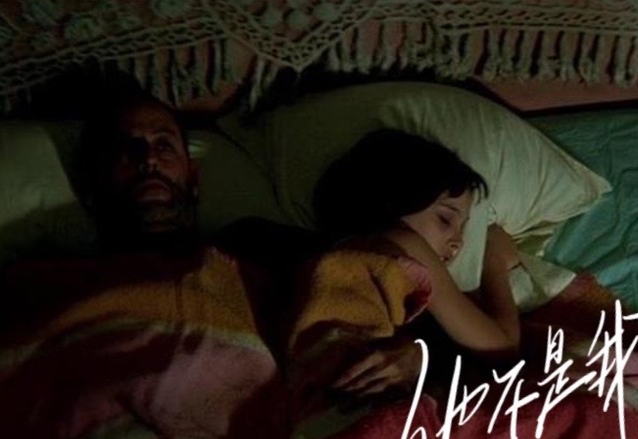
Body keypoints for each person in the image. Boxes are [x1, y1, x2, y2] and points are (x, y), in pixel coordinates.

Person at [72, 81, 424, 398]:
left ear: (193, 179)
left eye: (164, 145)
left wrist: (414, 357)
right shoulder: (64, 282)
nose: (149, 158)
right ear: (91, 185)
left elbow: (359, 280)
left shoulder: (253, 243)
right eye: (126, 147)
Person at [309, 128, 523, 368]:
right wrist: (494, 263)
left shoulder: (345, 249)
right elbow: (502, 347)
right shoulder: (404, 242)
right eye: (445, 219)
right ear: (394, 200)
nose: (459, 242)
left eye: (463, 228)